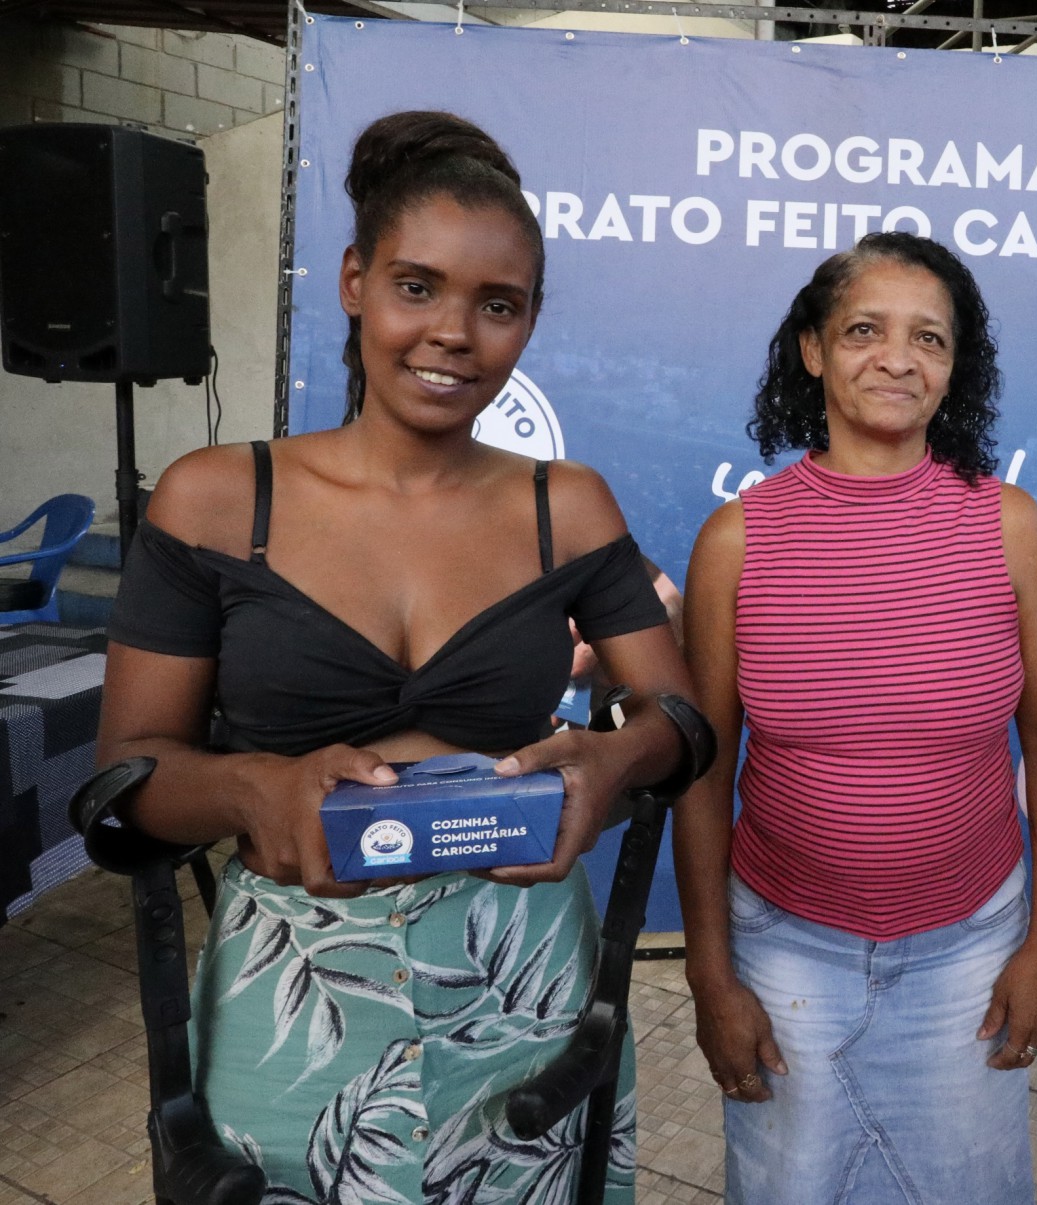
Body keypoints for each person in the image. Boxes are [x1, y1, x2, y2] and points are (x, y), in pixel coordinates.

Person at [95, 111, 702, 1204]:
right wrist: (250, 782)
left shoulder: (564, 504)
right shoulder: (219, 497)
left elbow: (683, 722)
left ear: (530, 321)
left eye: (498, 304)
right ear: (353, 281)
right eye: (417, 286)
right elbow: (126, 780)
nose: (455, 333)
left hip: (520, 976)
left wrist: (610, 763)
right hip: (296, 986)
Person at [674, 231, 1037, 1205]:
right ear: (813, 348)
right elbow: (703, 769)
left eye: (929, 339)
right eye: (865, 329)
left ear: (954, 368)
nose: (898, 357)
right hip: (781, 946)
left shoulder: (1009, 524)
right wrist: (710, 976)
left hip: (971, 944)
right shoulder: (737, 540)